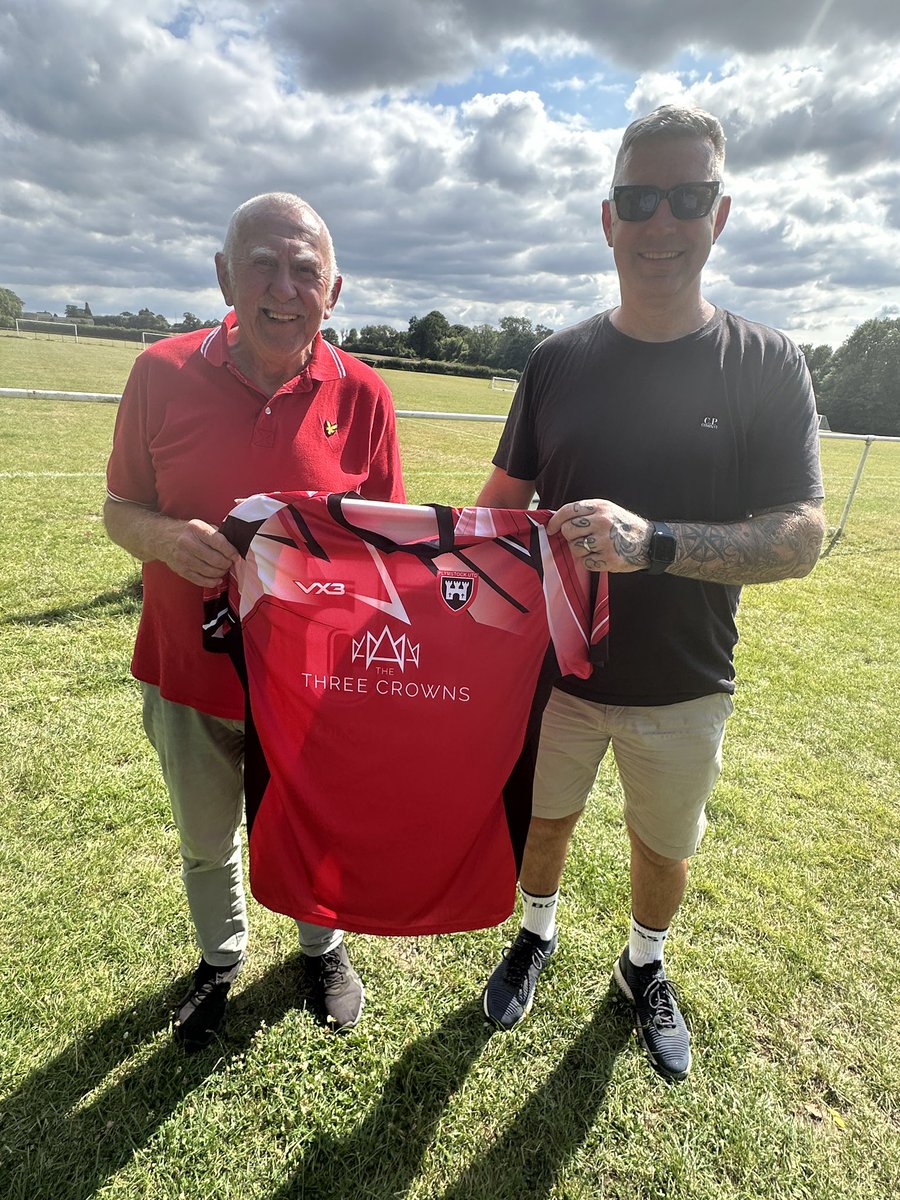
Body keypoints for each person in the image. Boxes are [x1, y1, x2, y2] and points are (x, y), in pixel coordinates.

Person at [476, 105, 825, 1081]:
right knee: (543, 824)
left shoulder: (767, 364)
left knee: (661, 849)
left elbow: (799, 538)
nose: (661, 222)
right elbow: (495, 509)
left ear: (720, 215)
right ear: (607, 217)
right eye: (640, 199)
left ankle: (642, 964)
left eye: (687, 198)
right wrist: (376, 556)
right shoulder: (557, 361)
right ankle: (536, 935)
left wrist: (656, 544)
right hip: (554, 675)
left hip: (683, 685)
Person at [104, 192, 405, 1049]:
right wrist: (164, 536)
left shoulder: (367, 395)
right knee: (207, 837)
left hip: (310, 684)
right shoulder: (160, 372)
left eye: (304, 270)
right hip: (188, 670)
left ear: (333, 290)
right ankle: (220, 958)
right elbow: (119, 507)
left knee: (311, 826)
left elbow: (380, 550)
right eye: (262, 265)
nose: (283, 287)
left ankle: (323, 946)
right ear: (223, 275)